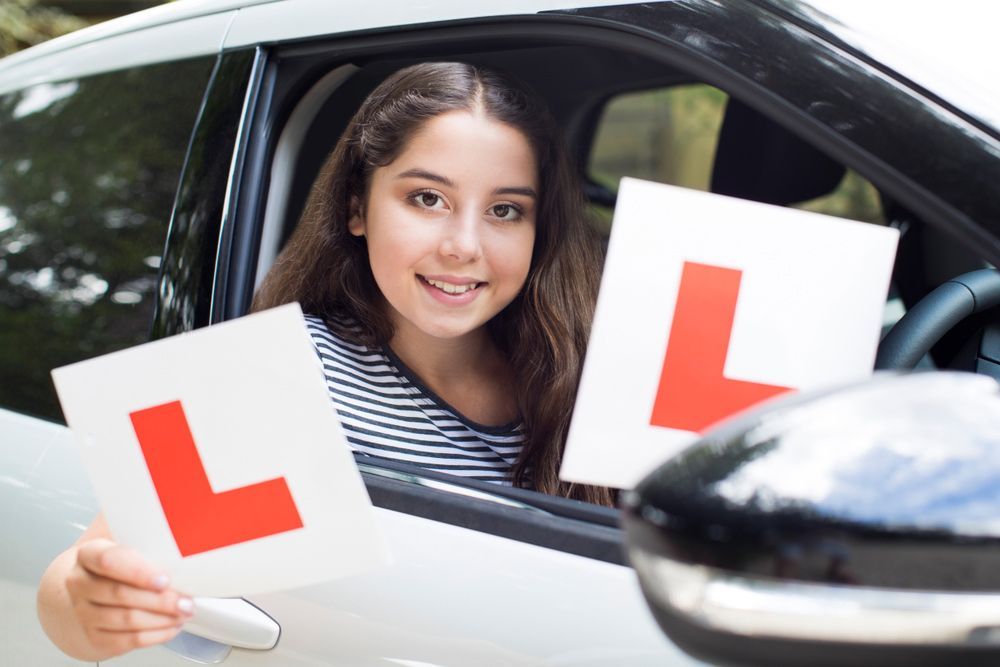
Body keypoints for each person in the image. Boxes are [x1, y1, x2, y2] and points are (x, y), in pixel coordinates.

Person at [37, 61, 610, 661]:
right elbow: (75, 584)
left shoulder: (576, 373)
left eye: (504, 211)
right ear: (357, 208)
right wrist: (88, 599)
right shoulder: (273, 372)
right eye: (427, 198)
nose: (463, 246)